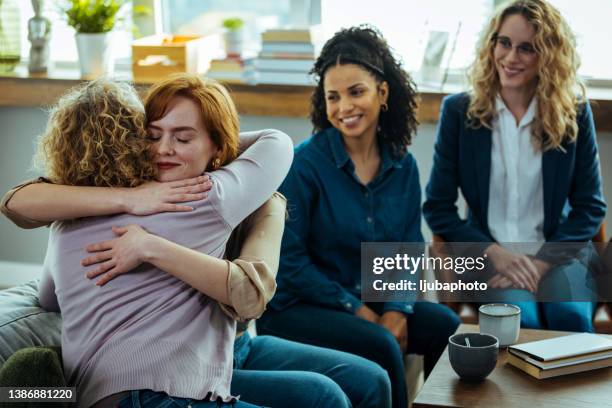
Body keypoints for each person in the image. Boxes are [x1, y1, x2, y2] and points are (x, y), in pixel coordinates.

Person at [2, 75, 392, 408]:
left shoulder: (65, 221)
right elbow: (276, 144)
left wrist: (399, 304)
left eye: (183, 138)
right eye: (152, 136)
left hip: (231, 343)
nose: (163, 149)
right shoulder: (205, 194)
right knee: (343, 384)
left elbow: (49, 292)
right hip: (188, 374)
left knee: (366, 377)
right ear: (136, 140)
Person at [256, 26, 461, 408]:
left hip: (372, 298)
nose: (343, 108)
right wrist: (359, 309)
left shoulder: (403, 165)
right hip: (301, 307)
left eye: (356, 92)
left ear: (382, 93)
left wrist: (399, 308)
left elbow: (409, 246)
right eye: (332, 97)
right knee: (381, 342)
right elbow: (291, 264)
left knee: (447, 328)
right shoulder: (304, 164)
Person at [422, 0, 606, 332]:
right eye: (503, 43)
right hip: (490, 258)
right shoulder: (459, 112)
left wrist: (540, 262)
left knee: (572, 320)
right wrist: (494, 253)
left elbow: (590, 208)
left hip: (559, 254)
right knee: (519, 324)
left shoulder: (573, 113)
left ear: (548, 56)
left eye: (526, 48)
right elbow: (438, 207)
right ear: (491, 44)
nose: (510, 57)